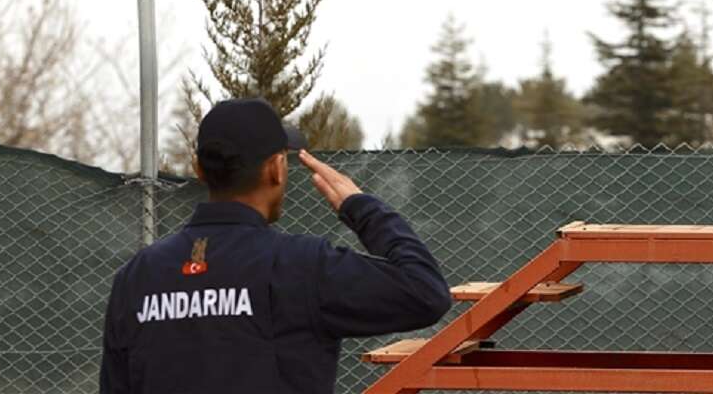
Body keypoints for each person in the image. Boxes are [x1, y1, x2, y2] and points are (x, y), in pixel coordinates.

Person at [100, 98, 451, 394]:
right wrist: (363, 208)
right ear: (277, 168)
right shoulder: (301, 265)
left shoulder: (136, 277)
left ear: (199, 169)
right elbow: (425, 291)